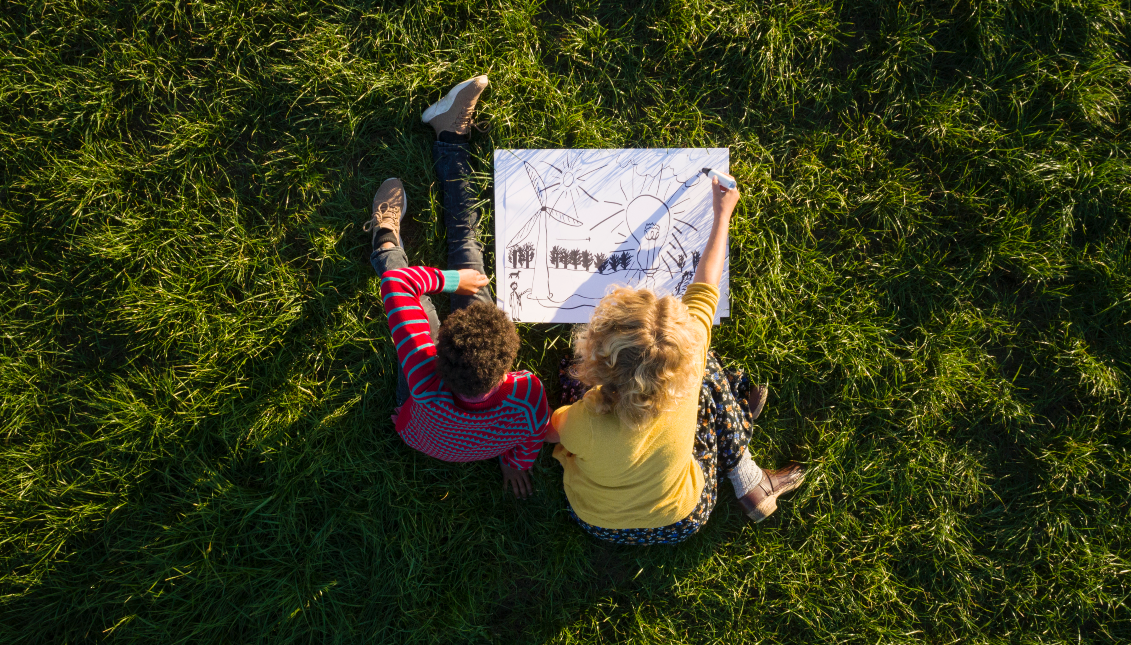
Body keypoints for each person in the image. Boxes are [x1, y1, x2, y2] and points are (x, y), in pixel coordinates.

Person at [546, 173, 805, 544]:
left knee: (566, 377)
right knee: (706, 370)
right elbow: (706, 286)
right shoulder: (693, 352)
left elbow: (547, 431)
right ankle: (746, 476)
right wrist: (722, 216)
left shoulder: (584, 420)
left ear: (598, 356)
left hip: (597, 522)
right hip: (683, 520)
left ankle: (749, 477)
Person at [366, 75, 549, 499]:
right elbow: (533, 435)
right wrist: (515, 464)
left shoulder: (421, 367)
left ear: (437, 344)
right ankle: (450, 133)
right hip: (453, 439)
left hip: (418, 420)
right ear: (509, 370)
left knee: (452, 261)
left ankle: (384, 236)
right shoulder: (527, 394)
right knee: (468, 250)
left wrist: (453, 281)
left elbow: (397, 285)